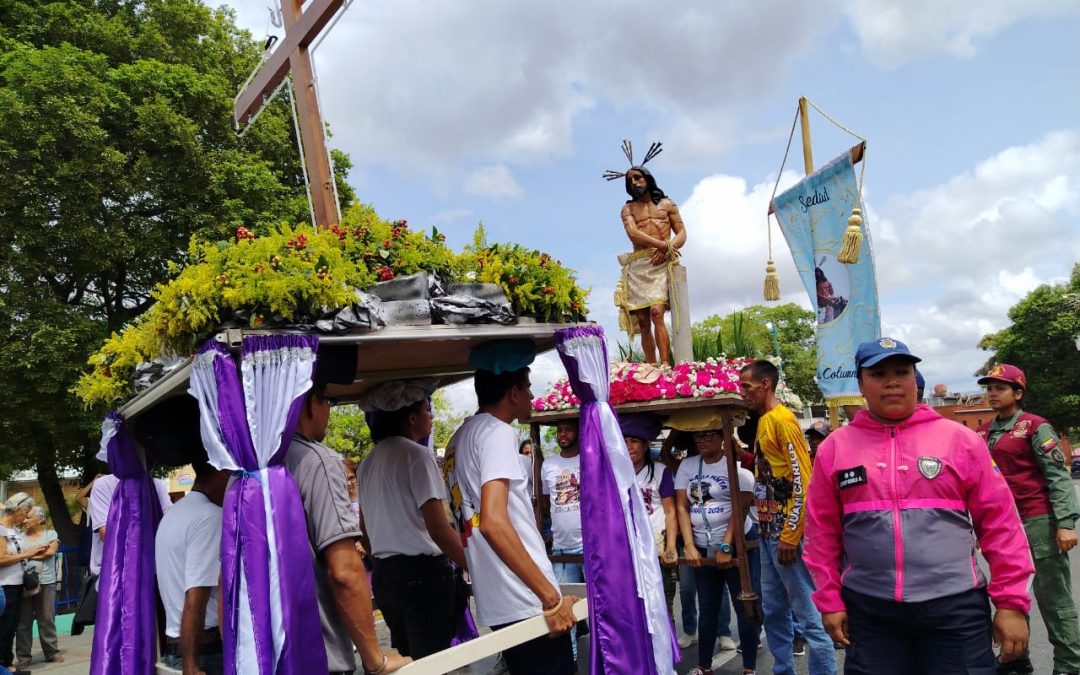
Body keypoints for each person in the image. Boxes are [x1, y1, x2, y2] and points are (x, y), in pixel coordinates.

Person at [804, 338, 1034, 675]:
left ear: (915, 379)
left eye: (902, 372)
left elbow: (1002, 525)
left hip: (956, 609)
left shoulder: (961, 440)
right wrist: (829, 600)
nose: (892, 382)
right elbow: (821, 533)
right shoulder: (835, 448)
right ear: (861, 385)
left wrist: (1011, 603)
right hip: (870, 613)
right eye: (878, 374)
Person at [445, 339, 578, 674]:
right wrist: (551, 598)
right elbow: (492, 522)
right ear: (514, 392)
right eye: (528, 387)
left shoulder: (458, 438)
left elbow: (471, 518)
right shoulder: (496, 432)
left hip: (500, 596)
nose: (532, 396)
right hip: (526, 599)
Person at [285, 382, 409, 675]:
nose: (329, 411)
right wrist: (375, 659)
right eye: (329, 402)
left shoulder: (248, 468)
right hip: (318, 656)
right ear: (310, 404)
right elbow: (343, 572)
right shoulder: (317, 461)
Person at [977, 363, 1080, 675]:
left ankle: (1069, 665)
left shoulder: (1035, 426)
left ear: (1018, 393)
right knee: (1011, 598)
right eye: (989, 388)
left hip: (1038, 522)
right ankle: (1017, 660)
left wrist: (1065, 523)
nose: (992, 393)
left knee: (1054, 601)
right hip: (1003, 527)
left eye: (1000, 388)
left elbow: (1057, 475)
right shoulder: (983, 431)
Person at [356, 379, 467, 660]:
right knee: (432, 661)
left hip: (386, 576)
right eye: (428, 409)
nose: (431, 416)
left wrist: (386, 562)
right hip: (422, 576)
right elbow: (438, 528)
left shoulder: (367, 463)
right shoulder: (417, 456)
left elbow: (364, 530)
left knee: (410, 660)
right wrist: (473, 565)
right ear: (412, 418)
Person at [739, 360, 836, 675]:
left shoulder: (783, 420)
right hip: (768, 531)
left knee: (808, 614)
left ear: (765, 384)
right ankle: (783, 669)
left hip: (784, 534)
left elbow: (802, 482)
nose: (742, 393)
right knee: (774, 610)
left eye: (746, 386)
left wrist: (791, 535)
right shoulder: (765, 421)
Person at [671, 410, 760, 675]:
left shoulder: (738, 468)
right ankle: (704, 666)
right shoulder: (688, 466)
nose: (702, 441)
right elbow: (682, 506)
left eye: (708, 435)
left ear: (723, 437)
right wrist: (689, 546)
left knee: (744, 604)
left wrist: (726, 545)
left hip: (737, 542)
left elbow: (739, 509)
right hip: (701, 544)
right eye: (698, 436)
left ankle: (749, 667)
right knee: (708, 606)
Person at [154, 460, 229, 675]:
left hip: (177, 647)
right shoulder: (211, 517)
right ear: (222, 473)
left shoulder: (173, 514)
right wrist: (192, 666)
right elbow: (195, 597)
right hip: (204, 652)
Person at [615, 162, 687, 365]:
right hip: (639, 264)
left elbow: (682, 232)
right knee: (643, 321)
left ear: (648, 178)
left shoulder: (668, 204)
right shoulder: (628, 209)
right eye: (630, 180)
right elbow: (633, 233)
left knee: (657, 313)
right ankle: (651, 365)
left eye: (637, 177)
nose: (634, 182)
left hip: (661, 264)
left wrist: (668, 248)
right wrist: (663, 246)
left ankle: (664, 364)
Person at [620, 414, 679, 614]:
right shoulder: (615, 474)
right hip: (626, 549)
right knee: (631, 607)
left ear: (645, 445)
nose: (629, 447)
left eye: (634, 441)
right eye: (624, 441)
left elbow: (670, 512)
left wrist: (670, 547)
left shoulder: (660, 471)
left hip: (656, 547)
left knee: (662, 606)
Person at [14, 507, 60, 667]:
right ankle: (23, 657)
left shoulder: (50, 534)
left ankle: (52, 652)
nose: (25, 520)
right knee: (23, 621)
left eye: (29, 517)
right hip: (25, 582)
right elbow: (16, 555)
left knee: (47, 618)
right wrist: (34, 553)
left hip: (46, 581)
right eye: (25, 518)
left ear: (40, 519)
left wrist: (28, 554)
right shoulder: (19, 536)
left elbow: (50, 552)